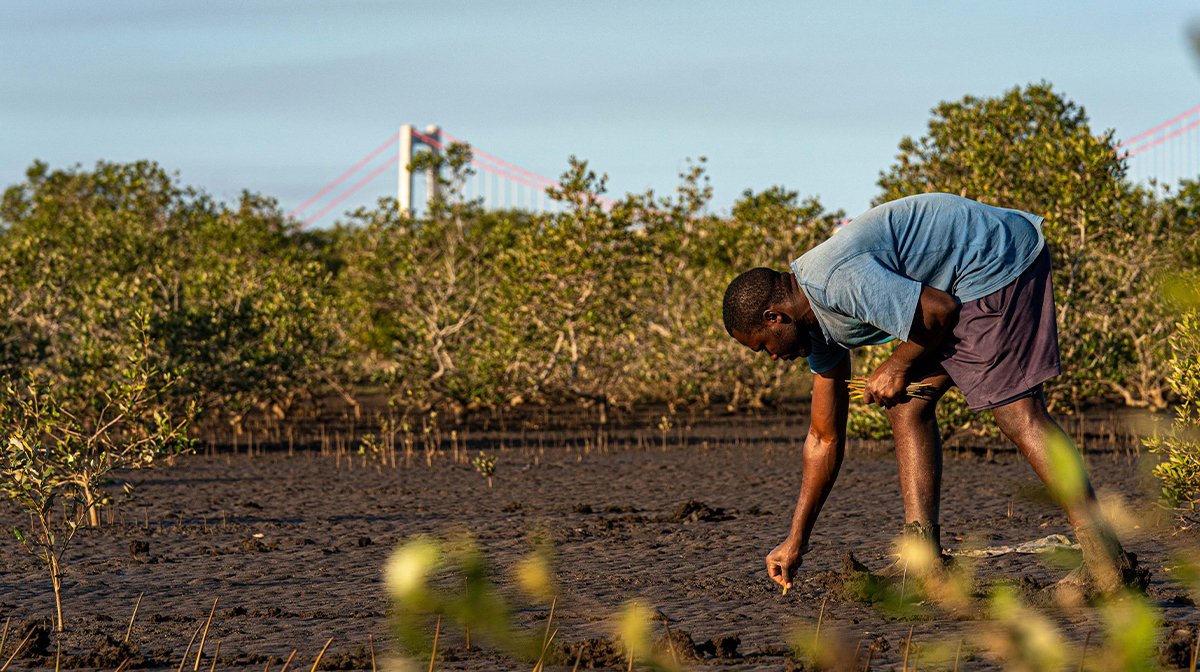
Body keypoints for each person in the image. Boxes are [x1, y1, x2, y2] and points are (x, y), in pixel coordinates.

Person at [722, 192, 1134, 594]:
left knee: (1017, 412)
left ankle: (1106, 560)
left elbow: (939, 311)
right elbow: (823, 437)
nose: (773, 358)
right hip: (958, 285)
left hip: (994, 263)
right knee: (906, 405)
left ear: (774, 317)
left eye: (763, 346)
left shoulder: (835, 282)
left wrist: (897, 364)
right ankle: (923, 561)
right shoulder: (814, 327)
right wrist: (796, 540)